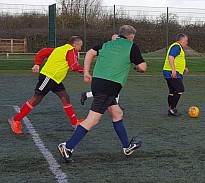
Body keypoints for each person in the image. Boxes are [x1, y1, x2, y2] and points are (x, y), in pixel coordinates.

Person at [57, 25, 147, 162]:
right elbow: (143, 67)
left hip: (98, 83)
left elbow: (89, 53)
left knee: (117, 114)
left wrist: (87, 72)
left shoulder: (107, 44)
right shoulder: (131, 46)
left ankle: (127, 146)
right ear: (131, 37)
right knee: (92, 120)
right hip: (110, 86)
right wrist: (136, 67)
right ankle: (68, 146)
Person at [8, 36, 84, 134]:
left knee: (65, 98)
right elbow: (73, 66)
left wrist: (37, 64)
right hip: (49, 77)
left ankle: (75, 123)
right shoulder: (71, 50)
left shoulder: (60, 49)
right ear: (75, 44)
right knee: (36, 99)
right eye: (80, 46)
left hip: (54, 79)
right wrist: (85, 71)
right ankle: (16, 120)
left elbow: (43, 52)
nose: (80, 49)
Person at [163, 33, 189, 116]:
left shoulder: (177, 47)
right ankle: (172, 108)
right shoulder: (177, 46)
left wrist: (184, 67)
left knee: (172, 91)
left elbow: (177, 59)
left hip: (169, 71)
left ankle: (170, 109)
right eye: (186, 41)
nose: (187, 43)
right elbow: (171, 57)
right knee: (180, 89)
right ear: (181, 40)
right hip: (172, 72)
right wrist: (173, 70)